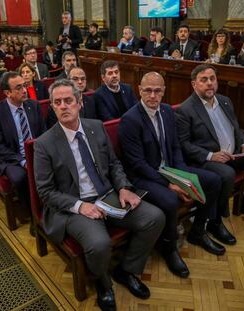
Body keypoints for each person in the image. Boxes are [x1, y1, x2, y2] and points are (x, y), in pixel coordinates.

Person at [34, 78, 165, 310]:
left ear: (80, 102)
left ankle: (126, 271)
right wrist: (80, 207)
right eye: (57, 102)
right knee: (99, 244)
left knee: (154, 217)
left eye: (68, 101)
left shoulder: (95, 126)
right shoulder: (45, 143)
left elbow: (114, 164)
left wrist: (124, 187)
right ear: (52, 107)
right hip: (74, 205)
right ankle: (104, 283)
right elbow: (45, 191)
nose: (63, 106)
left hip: (107, 195)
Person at [119, 72, 235, 272]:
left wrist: (182, 177)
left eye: (157, 91)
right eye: (148, 90)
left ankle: (198, 231)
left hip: (170, 169)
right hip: (144, 177)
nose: (153, 95)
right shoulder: (130, 119)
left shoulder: (166, 111)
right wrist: (169, 184)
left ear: (164, 92)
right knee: (171, 200)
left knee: (214, 180)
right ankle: (169, 246)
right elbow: (137, 164)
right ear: (139, 90)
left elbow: (175, 148)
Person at [175, 64, 244, 222]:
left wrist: (243, 144)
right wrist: (211, 155)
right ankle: (217, 219)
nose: (209, 83)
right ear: (194, 84)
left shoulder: (224, 101)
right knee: (228, 174)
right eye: (204, 80)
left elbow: (236, 129)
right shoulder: (185, 110)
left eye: (212, 79)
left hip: (234, 153)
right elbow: (183, 144)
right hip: (209, 159)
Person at [0, 72, 46, 218]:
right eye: (19, 88)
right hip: (13, 158)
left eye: (25, 86)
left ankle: (52, 208)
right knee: (20, 177)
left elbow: (43, 134)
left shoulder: (33, 105)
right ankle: (33, 214)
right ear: (8, 93)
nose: (25, 90)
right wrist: (22, 161)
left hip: (37, 152)